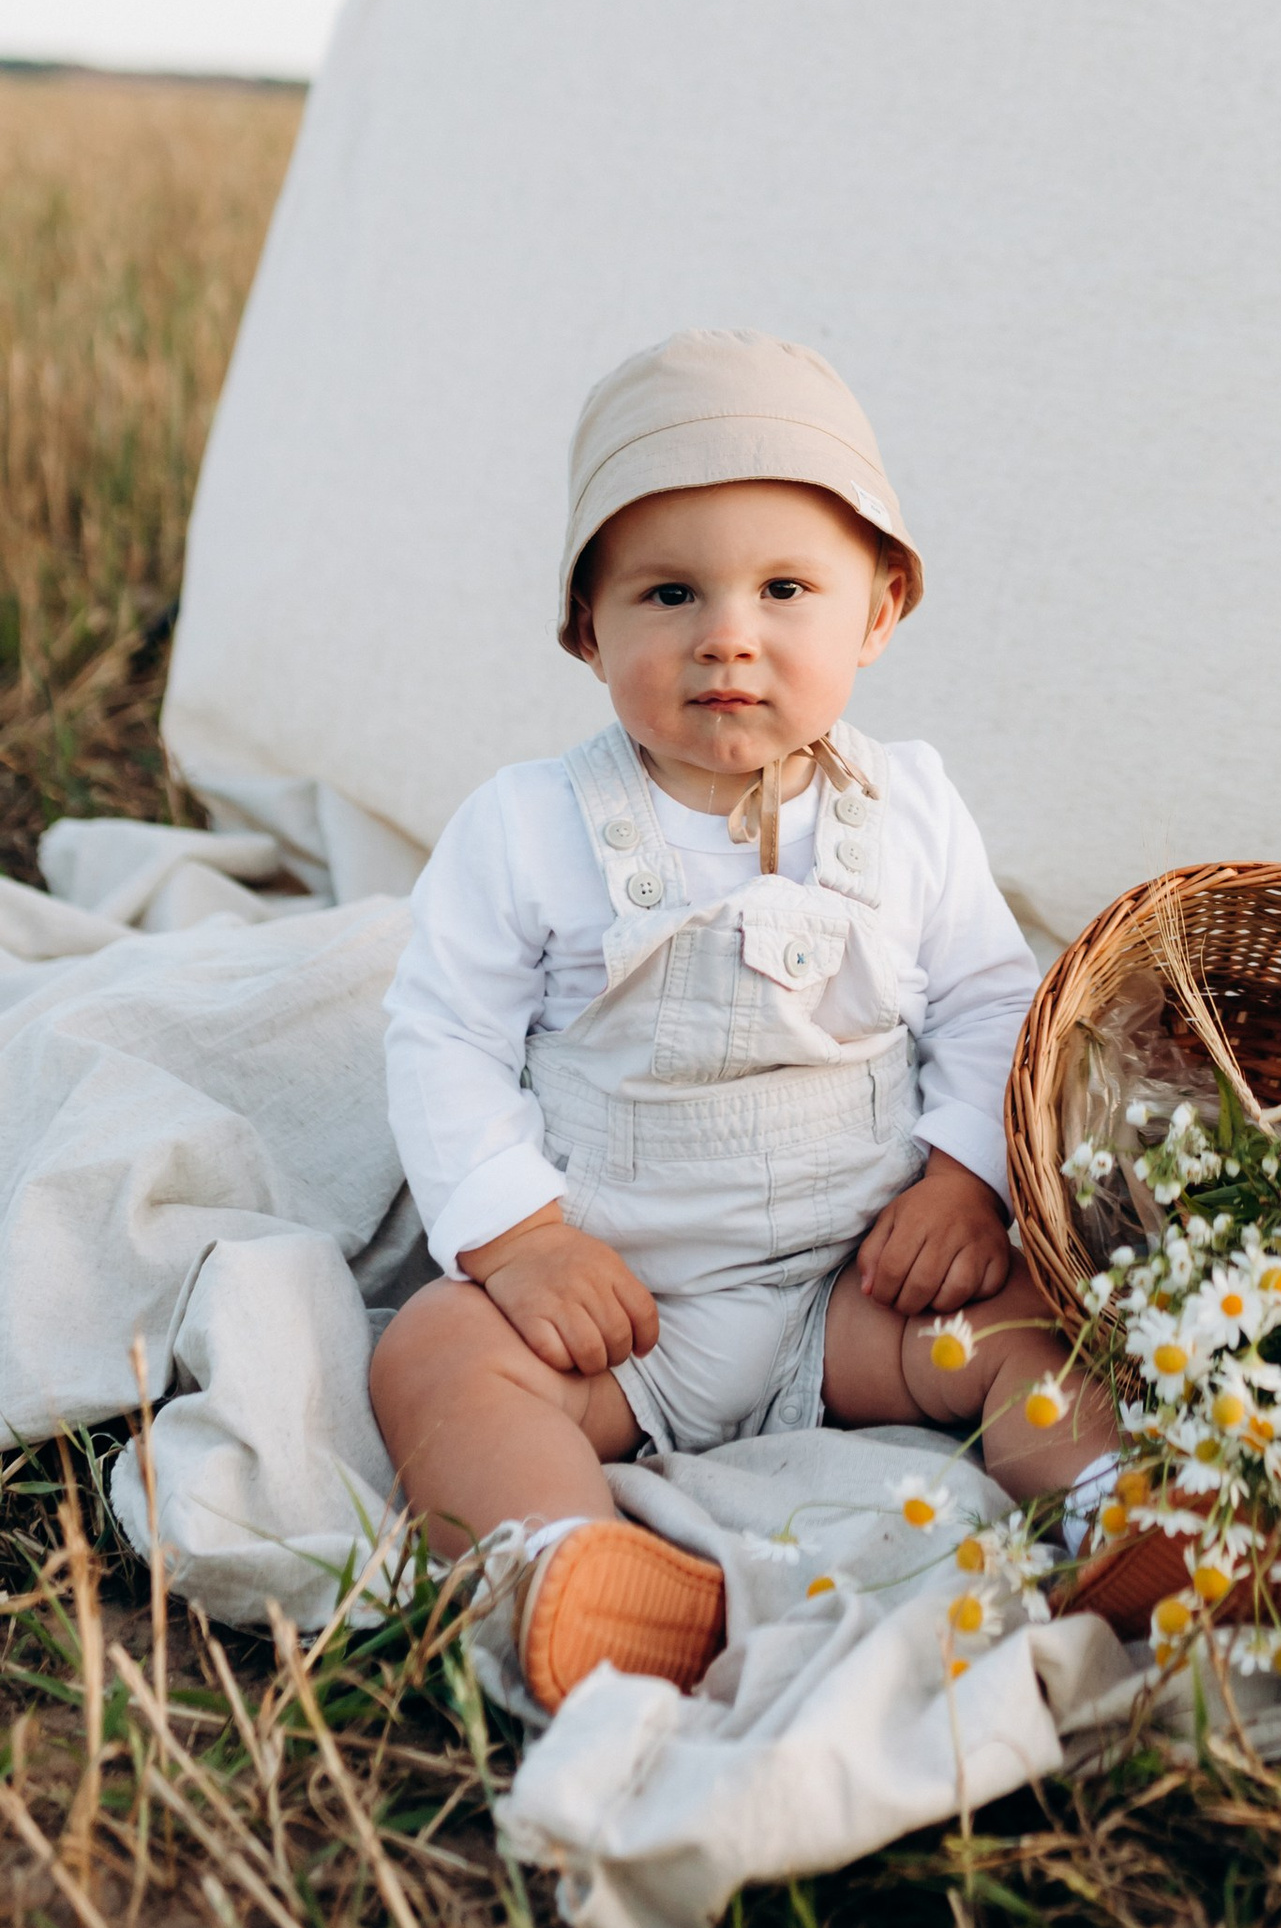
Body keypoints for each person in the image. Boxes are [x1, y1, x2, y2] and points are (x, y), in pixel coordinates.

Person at [369, 327, 1119, 1710]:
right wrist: (522, 1241)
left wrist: (963, 1175)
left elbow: (987, 1002)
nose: (729, 633)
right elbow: (443, 1043)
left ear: (878, 610)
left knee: (1036, 1318)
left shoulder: (912, 811)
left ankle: (1117, 1512)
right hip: (616, 1323)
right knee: (431, 1352)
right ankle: (561, 1560)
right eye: (669, 593)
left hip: (860, 1298)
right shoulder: (529, 827)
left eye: (786, 587)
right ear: (585, 630)